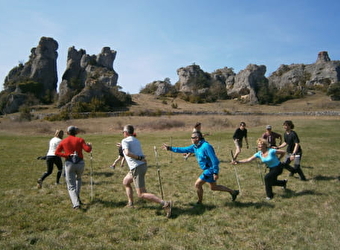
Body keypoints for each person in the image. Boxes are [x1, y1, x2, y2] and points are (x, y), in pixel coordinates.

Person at [162, 131, 239, 205]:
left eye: (192, 137)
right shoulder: (195, 147)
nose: (191, 139)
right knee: (213, 187)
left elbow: (214, 160)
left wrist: (215, 172)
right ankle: (233, 192)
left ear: (197, 138)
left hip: (210, 169)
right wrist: (169, 148)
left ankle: (199, 202)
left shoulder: (206, 146)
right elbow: (183, 149)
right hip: (207, 169)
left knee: (197, 184)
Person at [121, 125, 172, 217]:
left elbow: (127, 153)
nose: (122, 133)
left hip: (137, 167)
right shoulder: (136, 140)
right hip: (140, 166)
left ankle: (165, 203)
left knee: (141, 194)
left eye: (123, 132)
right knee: (126, 182)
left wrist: (139, 158)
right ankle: (130, 204)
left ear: (126, 132)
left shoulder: (125, 141)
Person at [55, 126, 92, 209]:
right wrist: (89, 146)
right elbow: (87, 150)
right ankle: (77, 197)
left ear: (67, 133)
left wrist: (67, 155)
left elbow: (57, 153)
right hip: (80, 163)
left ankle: (76, 204)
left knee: (71, 185)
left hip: (69, 163)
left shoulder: (64, 141)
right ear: (76, 132)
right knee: (78, 179)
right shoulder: (80, 140)